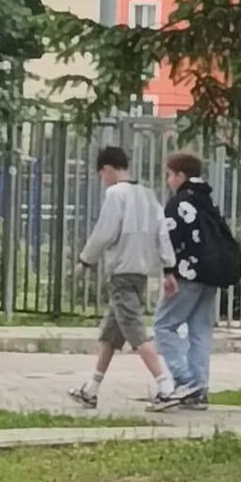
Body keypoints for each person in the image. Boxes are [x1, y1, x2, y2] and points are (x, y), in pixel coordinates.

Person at [69, 146, 180, 410]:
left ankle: (165, 385)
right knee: (110, 333)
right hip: (141, 272)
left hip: (121, 271)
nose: (103, 180)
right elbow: (162, 234)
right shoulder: (148, 195)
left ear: (107, 169)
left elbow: (104, 232)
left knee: (135, 330)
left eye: (102, 174)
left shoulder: (115, 195)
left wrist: (85, 260)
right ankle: (91, 388)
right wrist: (169, 269)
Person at [153, 151, 229, 410]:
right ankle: (200, 390)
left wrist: (169, 272)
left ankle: (186, 381)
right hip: (211, 274)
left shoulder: (179, 203)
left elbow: (171, 240)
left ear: (180, 175)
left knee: (163, 325)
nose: (168, 180)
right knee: (200, 331)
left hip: (186, 274)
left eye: (169, 175)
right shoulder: (207, 200)